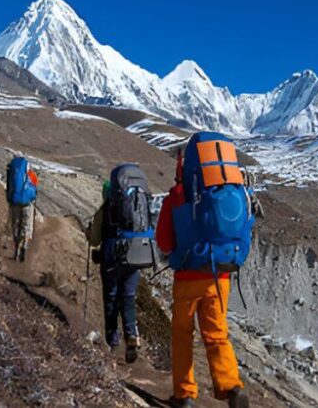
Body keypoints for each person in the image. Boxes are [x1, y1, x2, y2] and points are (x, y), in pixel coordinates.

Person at [157, 139, 252, 408]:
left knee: (183, 334)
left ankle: (184, 395)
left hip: (188, 277)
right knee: (217, 334)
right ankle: (231, 387)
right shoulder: (231, 192)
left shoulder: (176, 197)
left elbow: (164, 240)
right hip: (219, 277)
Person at [87, 164, 155, 363]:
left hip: (112, 259)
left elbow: (94, 240)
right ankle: (132, 334)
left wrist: (88, 231)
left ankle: (113, 341)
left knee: (111, 297)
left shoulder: (106, 209)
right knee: (128, 297)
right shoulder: (139, 205)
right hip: (136, 254)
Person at [6, 156, 38, 262]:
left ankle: (16, 250)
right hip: (27, 204)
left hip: (14, 202)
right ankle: (24, 245)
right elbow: (34, 190)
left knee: (16, 225)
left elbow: (9, 187)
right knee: (26, 226)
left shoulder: (12, 171)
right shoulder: (31, 174)